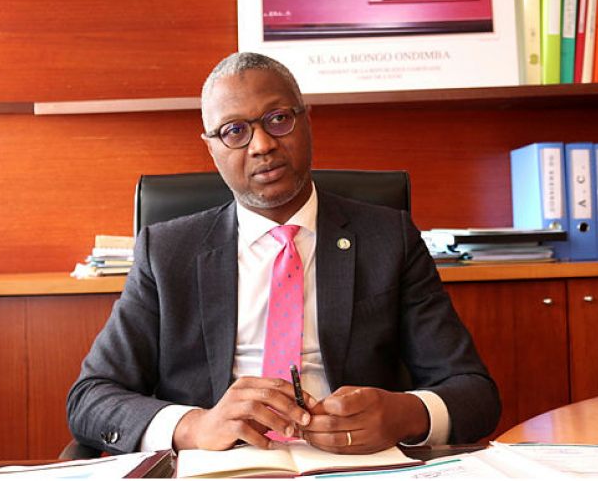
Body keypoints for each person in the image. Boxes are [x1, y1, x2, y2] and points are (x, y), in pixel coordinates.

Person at [67, 52, 500, 456]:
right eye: (235, 131)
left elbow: (474, 392)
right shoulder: (166, 252)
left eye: (277, 119)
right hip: (219, 466)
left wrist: (404, 414)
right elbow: (90, 397)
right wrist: (195, 426)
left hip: (354, 463)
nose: (261, 145)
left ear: (306, 120)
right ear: (212, 147)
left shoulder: (388, 239)